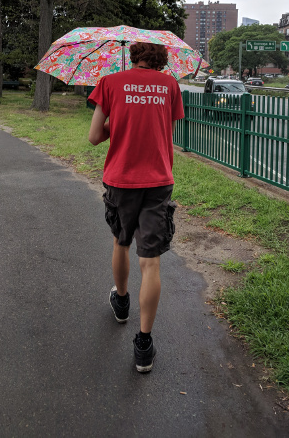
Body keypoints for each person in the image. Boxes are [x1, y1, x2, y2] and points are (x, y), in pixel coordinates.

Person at [88, 42, 184, 373]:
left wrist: (118, 121)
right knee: (151, 262)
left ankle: (122, 302)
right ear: (161, 57)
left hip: (121, 180)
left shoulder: (110, 83)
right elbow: (163, 129)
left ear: (133, 53)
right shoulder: (170, 85)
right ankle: (144, 345)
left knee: (121, 241)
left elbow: (94, 136)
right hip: (158, 180)